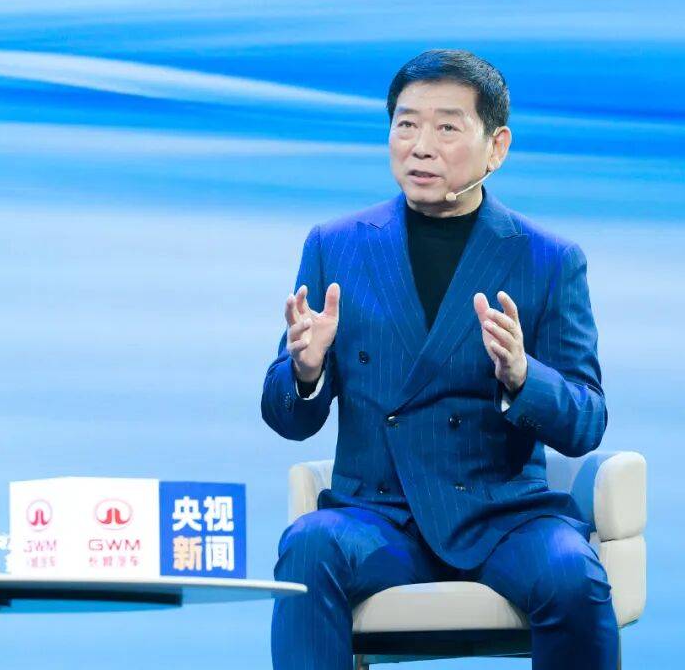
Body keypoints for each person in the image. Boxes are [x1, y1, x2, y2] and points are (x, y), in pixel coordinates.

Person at [261, 49, 618, 670]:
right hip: (378, 517)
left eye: (447, 127)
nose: (421, 147)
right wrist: (306, 370)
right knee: (308, 547)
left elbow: (586, 421)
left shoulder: (548, 259)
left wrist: (524, 377)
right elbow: (286, 417)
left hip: (503, 517)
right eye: (406, 125)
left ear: (496, 146)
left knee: (571, 575)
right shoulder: (336, 245)